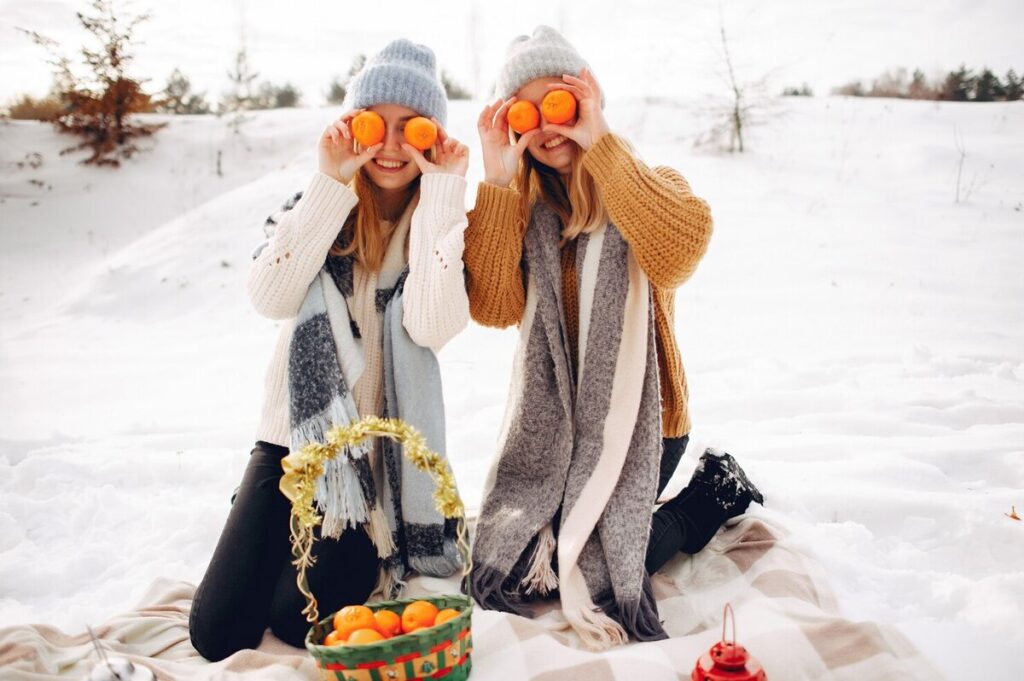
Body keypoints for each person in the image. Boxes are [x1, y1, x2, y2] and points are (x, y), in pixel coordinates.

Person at [465, 26, 763, 649]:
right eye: (527, 112)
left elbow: (679, 251)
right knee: (517, 567)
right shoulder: (521, 214)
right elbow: (493, 308)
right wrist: (496, 178)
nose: (547, 127)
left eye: (560, 103)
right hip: (555, 434)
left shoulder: (646, 185)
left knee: (588, 569)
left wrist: (599, 143)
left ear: (588, 100)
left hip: (644, 428)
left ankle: (707, 498)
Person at [189, 39, 470, 660]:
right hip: (290, 444)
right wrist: (329, 182)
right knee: (216, 634)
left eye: (413, 127)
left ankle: (324, 541)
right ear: (352, 128)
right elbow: (269, 295)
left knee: (297, 623)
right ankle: (261, 512)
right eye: (376, 124)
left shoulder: (442, 227)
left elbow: (430, 325)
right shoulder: (316, 208)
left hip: (370, 467)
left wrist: (444, 197)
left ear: (432, 138)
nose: (392, 145)